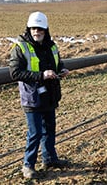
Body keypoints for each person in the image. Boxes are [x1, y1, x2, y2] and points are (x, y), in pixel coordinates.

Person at [9, 11, 70, 179]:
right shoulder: (21, 47)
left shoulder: (51, 46)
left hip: (49, 95)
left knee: (49, 130)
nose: (36, 32)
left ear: (46, 29)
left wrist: (61, 70)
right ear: (29, 29)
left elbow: (57, 63)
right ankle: (28, 165)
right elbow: (15, 73)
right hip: (32, 98)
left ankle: (50, 159)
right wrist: (41, 75)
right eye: (33, 28)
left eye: (40, 29)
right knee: (35, 133)